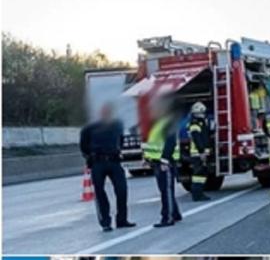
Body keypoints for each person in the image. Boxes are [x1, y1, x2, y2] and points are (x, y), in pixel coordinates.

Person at [79, 102, 135, 232]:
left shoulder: (117, 125)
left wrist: (117, 150)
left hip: (114, 161)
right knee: (100, 193)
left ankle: (122, 220)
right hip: (98, 163)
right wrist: (90, 157)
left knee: (122, 190)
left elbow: (120, 140)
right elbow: (83, 146)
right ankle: (105, 222)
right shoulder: (89, 128)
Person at [144, 97, 183, 228]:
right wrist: (148, 158)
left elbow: (170, 142)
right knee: (166, 189)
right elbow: (154, 144)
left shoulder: (167, 122)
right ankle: (175, 213)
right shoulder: (160, 122)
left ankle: (168, 217)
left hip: (165, 162)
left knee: (166, 190)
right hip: (158, 161)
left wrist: (165, 160)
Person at [185, 102, 213, 202]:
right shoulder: (195, 124)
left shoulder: (199, 123)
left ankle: (199, 193)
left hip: (200, 153)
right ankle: (197, 194)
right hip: (197, 153)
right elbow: (198, 139)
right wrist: (201, 152)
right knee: (198, 174)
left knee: (201, 174)